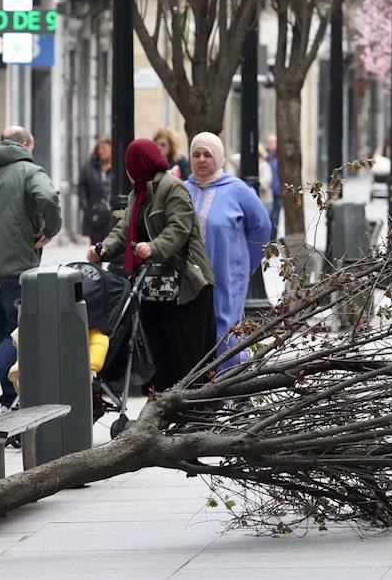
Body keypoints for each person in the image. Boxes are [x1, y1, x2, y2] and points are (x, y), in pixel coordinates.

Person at [88, 138, 217, 390]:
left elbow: (179, 228)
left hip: (186, 288)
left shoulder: (172, 187)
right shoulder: (139, 192)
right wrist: (102, 250)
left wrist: (154, 247)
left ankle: (194, 413)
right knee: (161, 356)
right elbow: (124, 230)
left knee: (186, 357)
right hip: (155, 288)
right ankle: (165, 413)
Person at [0, 126, 61, 415]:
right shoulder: (30, 172)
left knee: (5, 337)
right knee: (22, 334)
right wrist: (50, 230)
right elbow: (48, 197)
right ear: (27, 145)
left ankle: (8, 404)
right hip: (18, 270)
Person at [186, 132, 273, 372]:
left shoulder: (237, 190)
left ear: (219, 157)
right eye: (196, 154)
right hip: (189, 279)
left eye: (207, 154)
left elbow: (262, 227)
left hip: (225, 273)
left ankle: (231, 384)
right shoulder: (182, 190)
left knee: (225, 327)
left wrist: (245, 263)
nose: (202, 160)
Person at [78, 136, 114, 245]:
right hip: (95, 215)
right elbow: (82, 187)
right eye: (99, 148)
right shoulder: (89, 167)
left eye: (104, 148)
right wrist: (86, 207)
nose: (101, 151)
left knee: (113, 247)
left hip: (112, 214)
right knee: (96, 249)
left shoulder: (118, 166)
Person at [264, 134, 282, 238]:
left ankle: (272, 241)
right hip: (267, 194)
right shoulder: (264, 158)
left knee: (275, 219)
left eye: (273, 142)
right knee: (267, 218)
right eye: (270, 142)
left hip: (277, 192)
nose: (272, 145)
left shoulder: (279, 158)